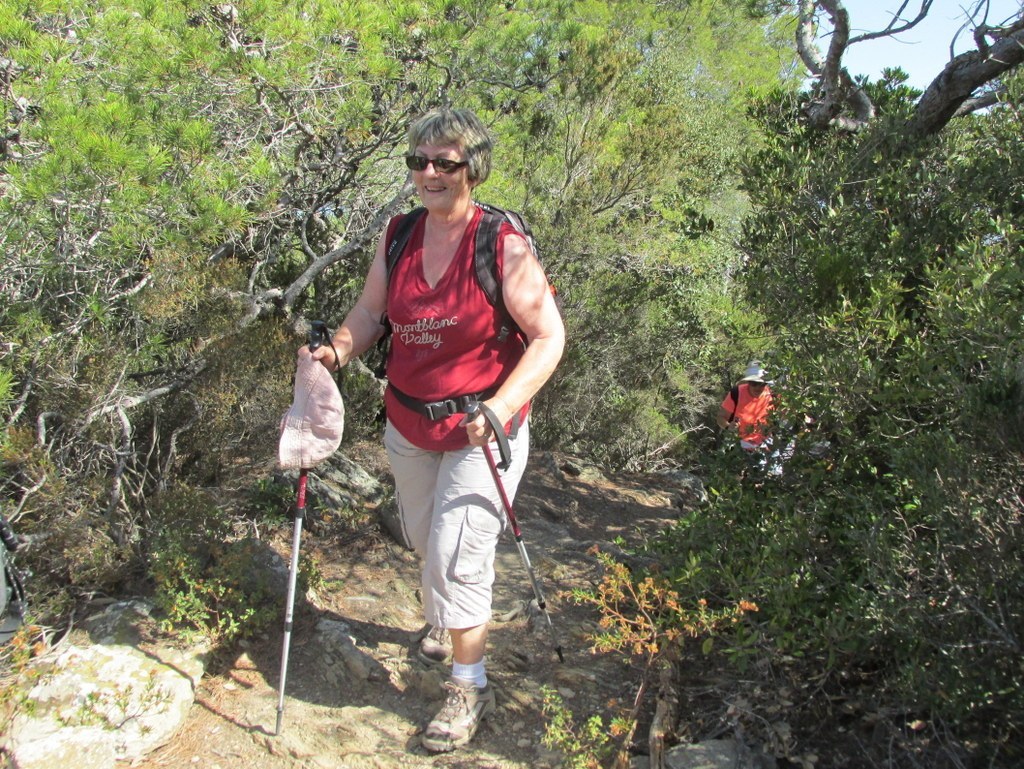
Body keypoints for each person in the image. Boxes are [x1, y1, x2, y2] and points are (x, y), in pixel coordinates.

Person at [301, 107, 565, 753]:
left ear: (472, 168)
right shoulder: (399, 233)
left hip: (484, 429)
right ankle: (442, 617)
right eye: (418, 161)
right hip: (410, 420)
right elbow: (370, 311)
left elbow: (548, 336)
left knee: (456, 551)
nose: (428, 173)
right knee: (425, 539)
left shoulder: (501, 242)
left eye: (444, 162)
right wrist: (335, 351)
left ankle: (467, 683)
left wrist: (501, 408)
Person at [716, 362, 776, 469]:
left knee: (762, 479)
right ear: (748, 382)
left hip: (765, 444)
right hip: (739, 443)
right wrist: (728, 426)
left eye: (762, 384)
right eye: (754, 383)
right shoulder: (737, 393)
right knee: (737, 476)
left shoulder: (773, 395)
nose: (758, 387)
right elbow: (721, 417)